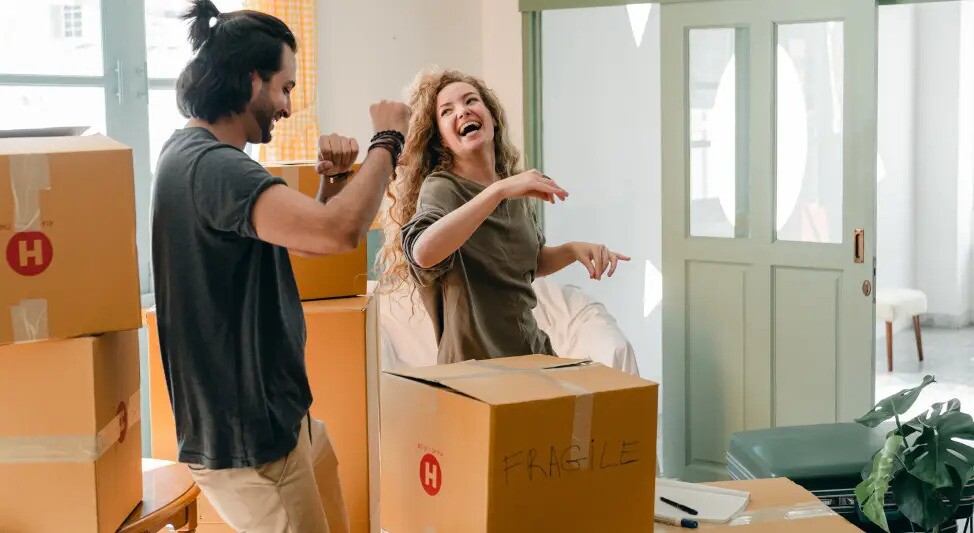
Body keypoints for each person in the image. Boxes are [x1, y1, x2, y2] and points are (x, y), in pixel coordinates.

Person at [150, 1, 409, 531]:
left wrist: (333, 182)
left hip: (281, 421)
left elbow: (312, 241)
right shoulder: (215, 168)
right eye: (285, 88)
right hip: (252, 442)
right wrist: (388, 139)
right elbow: (338, 232)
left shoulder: (197, 157)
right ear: (251, 82)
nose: (288, 106)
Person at [377, 69, 628, 365]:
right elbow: (423, 252)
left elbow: (528, 262)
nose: (463, 110)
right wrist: (498, 191)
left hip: (529, 352)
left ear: (492, 117)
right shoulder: (443, 187)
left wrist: (572, 250)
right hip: (473, 369)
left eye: (471, 100)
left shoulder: (512, 188)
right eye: (447, 111)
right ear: (442, 139)